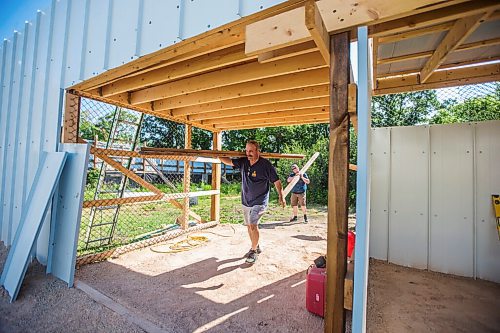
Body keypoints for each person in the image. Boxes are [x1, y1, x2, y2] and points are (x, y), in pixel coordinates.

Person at [220, 140, 285, 264]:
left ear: (257, 151)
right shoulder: (244, 162)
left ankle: (253, 251)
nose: (248, 153)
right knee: (249, 226)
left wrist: (281, 196)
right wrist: (217, 155)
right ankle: (256, 245)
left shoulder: (266, 165)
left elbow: (277, 181)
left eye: (251, 151)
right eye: (246, 151)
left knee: (253, 224)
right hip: (246, 200)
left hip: (260, 201)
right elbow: (228, 161)